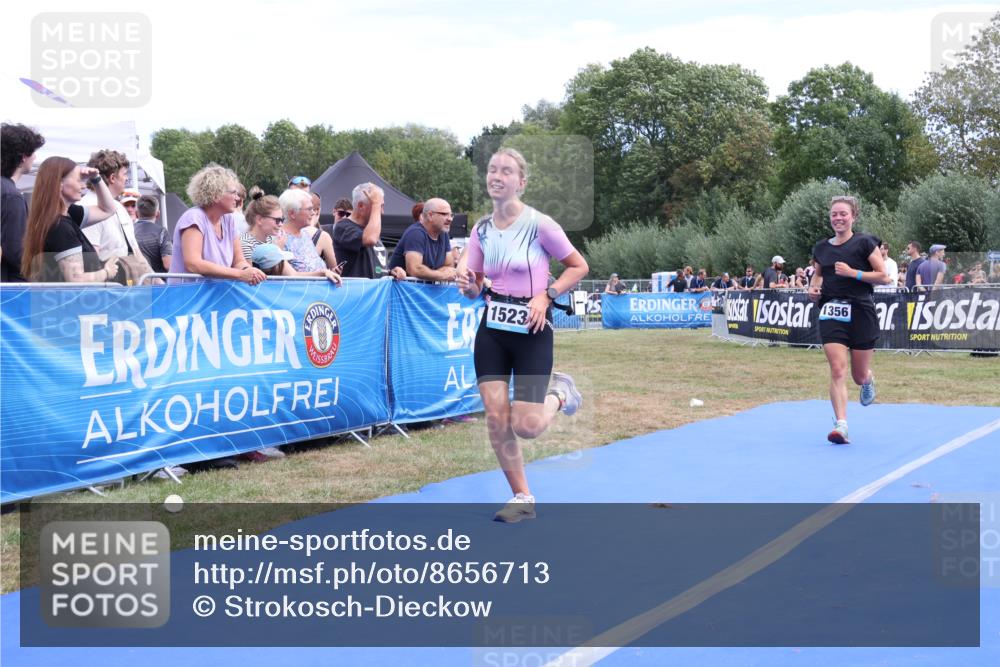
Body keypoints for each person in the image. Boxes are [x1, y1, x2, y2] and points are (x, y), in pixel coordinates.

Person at [457, 148, 589, 523]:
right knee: (497, 420)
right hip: (492, 330)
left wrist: (546, 296)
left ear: (521, 182)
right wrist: (467, 284)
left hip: (531, 330)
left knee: (526, 426)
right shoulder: (481, 230)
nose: (496, 176)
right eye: (492, 170)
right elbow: (475, 284)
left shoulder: (540, 224)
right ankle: (522, 497)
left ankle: (560, 394)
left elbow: (579, 266)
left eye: (506, 171)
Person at [808, 195, 888, 445]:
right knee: (837, 369)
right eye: (834, 214)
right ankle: (841, 424)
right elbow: (817, 277)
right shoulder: (822, 248)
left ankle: (868, 379)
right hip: (832, 310)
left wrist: (854, 273)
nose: (838, 218)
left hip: (861, 310)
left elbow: (884, 276)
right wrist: (813, 288)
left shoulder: (864, 242)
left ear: (853, 216)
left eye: (843, 213)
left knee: (858, 375)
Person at [20, 157, 120, 283]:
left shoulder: (66, 214)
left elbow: (108, 210)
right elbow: (76, 280)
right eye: (79, 180)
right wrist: (106, 272)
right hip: (69, 301)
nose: (84, 185)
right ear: (59, 184)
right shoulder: (60, 227)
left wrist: (96, 179)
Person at [168, 164, 266, 285]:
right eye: (234, 193)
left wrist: (249, 271)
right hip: (187, 297)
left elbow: (238, 260)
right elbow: (193, 264)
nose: (237, 198)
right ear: (215, 195)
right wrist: (239, 274)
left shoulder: (229, 219)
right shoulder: (194, 218)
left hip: (213, 296)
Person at [1, 123, 46, 282]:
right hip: (8, 290)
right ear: (22, 156)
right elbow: (15, 252)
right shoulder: (11, 196)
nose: (35, 157)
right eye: (32, 152)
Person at [387, 197, 455, 281]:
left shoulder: (444, 234)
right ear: (430, 215)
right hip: (405, 291)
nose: (450, 219)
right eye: (444, 214)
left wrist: (437, 274)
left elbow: (449, 266)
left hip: (424, 291)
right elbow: (414, 269)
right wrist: (441, 275)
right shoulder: (415, 233)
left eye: (451, 215)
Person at [332, 183, 384, 279]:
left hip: (375, 292)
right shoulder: (343, 227)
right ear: (360, 206)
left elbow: (375, 268)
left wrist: (391, 272)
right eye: (380, 206)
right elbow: (370, 239)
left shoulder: (370, 229)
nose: (381, 211)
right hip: (355, 292)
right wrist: (376, 204)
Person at [133, 195, 172, 273]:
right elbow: (168, 264)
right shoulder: (162, 232)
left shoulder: (129, 231)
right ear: (157, 214)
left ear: (136, 213)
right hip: (158, 283)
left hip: (134, 281)